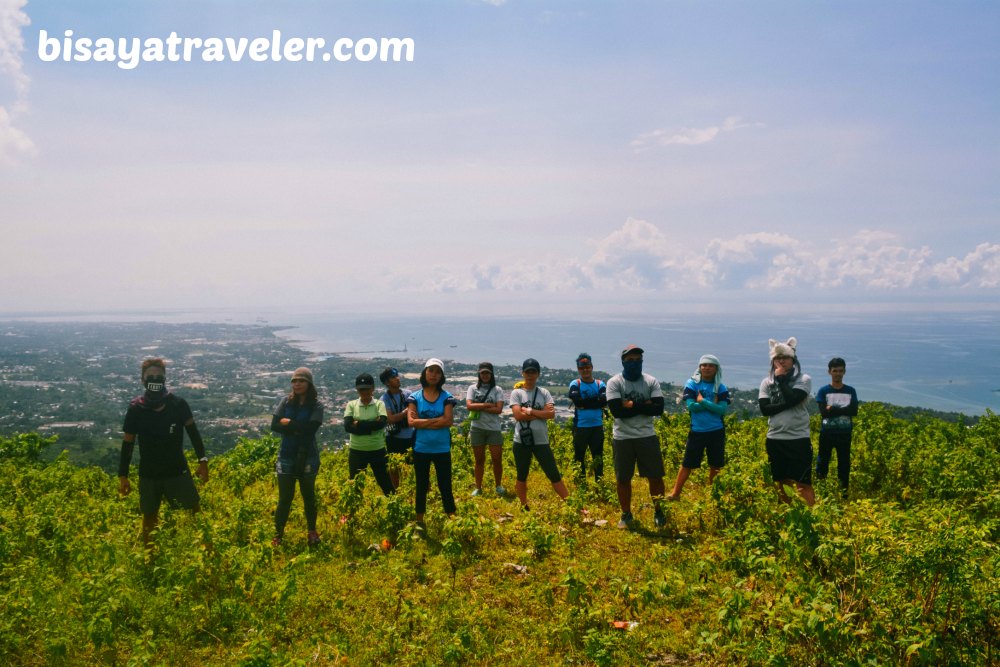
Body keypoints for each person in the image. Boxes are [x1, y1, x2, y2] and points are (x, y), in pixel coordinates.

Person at [119, 357, 209, 546]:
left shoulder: (178, 404)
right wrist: (123, 476)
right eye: (150, 376)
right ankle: (150, 559)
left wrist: (203, 461)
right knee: (149, 518)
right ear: (142, 380)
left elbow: (194, 434)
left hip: (177, 471)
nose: (155, 380)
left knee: (194, 512)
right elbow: (128, 444)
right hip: (149, 474)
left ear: (165, 379)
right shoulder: (136, 409)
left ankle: (208, 553)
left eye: (158, 376)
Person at [606, 345, 667, 529]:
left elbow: (658, 409)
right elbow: (617, 412)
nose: (634, 363)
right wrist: (645, 405)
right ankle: (626, 514)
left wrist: (631, 405)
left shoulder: (651, 381)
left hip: (647, 435)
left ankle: (659, 512)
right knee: (623, 478)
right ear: (623, 362)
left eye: (637, 359)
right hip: (623, 437)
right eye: (630, 360)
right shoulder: (614, 382)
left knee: (655, 477)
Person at [271, 367, 324, 546]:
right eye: (294, 381)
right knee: (285, 498)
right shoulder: (286, 402)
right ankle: (278, 535)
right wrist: (299, 428)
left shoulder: (316, 405)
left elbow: (311, 430)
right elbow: (274, 425)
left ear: (309, 384)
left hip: (308, 456)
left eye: (301, 381)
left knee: (308, 495)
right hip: (286, 455)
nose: (297, 384)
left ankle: (312, 531)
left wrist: (290, 424)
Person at [758, 338, 815, 506]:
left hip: (798, 438)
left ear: (793, 359)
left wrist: (782, 380)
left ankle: (811, 518)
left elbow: (793, 398)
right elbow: (765, 409)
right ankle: (786, 515)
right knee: (781, 481)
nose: (781, 361)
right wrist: (787, 404)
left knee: (803, 483)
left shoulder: (803, 379)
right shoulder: (766, 382)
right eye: (777, 358)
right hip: (775, 438)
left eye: (785, 357)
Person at [510, 358, 569, 511]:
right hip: (521, 440)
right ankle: (524, 505)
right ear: (522, 373)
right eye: (527, 372)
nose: (530, 375)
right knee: (522, 474)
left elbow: (551, 414)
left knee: (553, 473)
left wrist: (530, 411)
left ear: (538, 374)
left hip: (541, 440)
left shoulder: (544, 392)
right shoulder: (516, 393)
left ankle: (571, 504)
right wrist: (540, 413)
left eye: (533, 372)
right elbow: (518, 416)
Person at [669, 354, 730, 501]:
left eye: (711, 365)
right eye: (704, 365)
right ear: (699, 367)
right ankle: (675, 493)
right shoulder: (692, 384)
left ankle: (713, 496)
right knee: (687, 464)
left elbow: (722, 410)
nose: (707, 368)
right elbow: (691, 407)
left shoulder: (721, 387)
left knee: (715, 465)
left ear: (716, 369)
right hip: (697, 430)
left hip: (716, 430)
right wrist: (712, 404)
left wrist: (702, 401)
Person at [406, 358, 458, 523]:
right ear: (425, 373)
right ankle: (419, 522)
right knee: (421, 486)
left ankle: (452, 521)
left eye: (437, 372)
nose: (434, 375)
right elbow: (412, 422)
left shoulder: (446, 397)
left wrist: (423, 422)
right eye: (431, 370)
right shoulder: (415, 397)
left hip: (442, 448)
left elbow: (448, 421)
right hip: (421, 448)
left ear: (441, 376)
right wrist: (437, 421)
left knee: (445, 486)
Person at [344, 373, 394, 497]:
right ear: (357, 390)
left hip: (377, 450)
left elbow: (381, 423)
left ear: (373, 388)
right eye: (361, 389)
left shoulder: (379, 404)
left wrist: (358, 424)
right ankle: (352, 514)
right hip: (357, 451)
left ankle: (395, 508)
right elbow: (348, 427)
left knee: (386, 483)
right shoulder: (351, 405)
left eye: (367, 388)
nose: (364, 392)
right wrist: (371, 427)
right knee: (355, 485)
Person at [815, 357, 859, 497]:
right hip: (827, 433)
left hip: (845, 433)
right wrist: (843, 409)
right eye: (835, 371)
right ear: (829, 372)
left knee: (844, 464)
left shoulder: (851, 390)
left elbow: (854, 412)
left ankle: (844, 494)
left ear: (844, 372)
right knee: (822, 463)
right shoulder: (823, 391)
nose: (838, 374)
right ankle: (821, 493)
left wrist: (832, 408)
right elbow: (824, 413)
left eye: (840, 371)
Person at [465, 362, 506, 496]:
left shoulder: (498, 389)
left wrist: (479, 405)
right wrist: (488, 405)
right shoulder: (472, 388)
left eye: (487, 373)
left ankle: (498, 485)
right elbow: (469, 406)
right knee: (479, 460)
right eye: (483, 373)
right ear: (479, 373)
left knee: (497, 459)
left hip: (494, 429)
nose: (485, 375)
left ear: (491, 374)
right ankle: (478, 487)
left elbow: (499, 410)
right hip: (477, 428)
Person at [567, 353, 607, 482]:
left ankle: (599, 483)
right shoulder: (575, 383)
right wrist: (595, 401)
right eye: (582, 368)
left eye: (587, 367)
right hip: (580, 427)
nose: (585, 370)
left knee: (598, 457)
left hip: (597, 426)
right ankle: (581, 484)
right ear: (578, 369)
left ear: (592, 367)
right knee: (579, 457)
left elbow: (603, 402)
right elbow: (577, 402)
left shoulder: (600, 384)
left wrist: (585, 402)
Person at [379, 367, 415, 489]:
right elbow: (390, 419)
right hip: (394, 438)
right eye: (394, 377)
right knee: (394, 468)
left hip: (410, 436)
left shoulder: (408, 394)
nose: (397, 378)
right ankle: (397, 491)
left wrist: (400, 414)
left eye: (397, 376)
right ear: (387, 382)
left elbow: (415, 411)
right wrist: (406, 412)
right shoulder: (384, 399)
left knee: (414, 466)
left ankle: (415, 490)